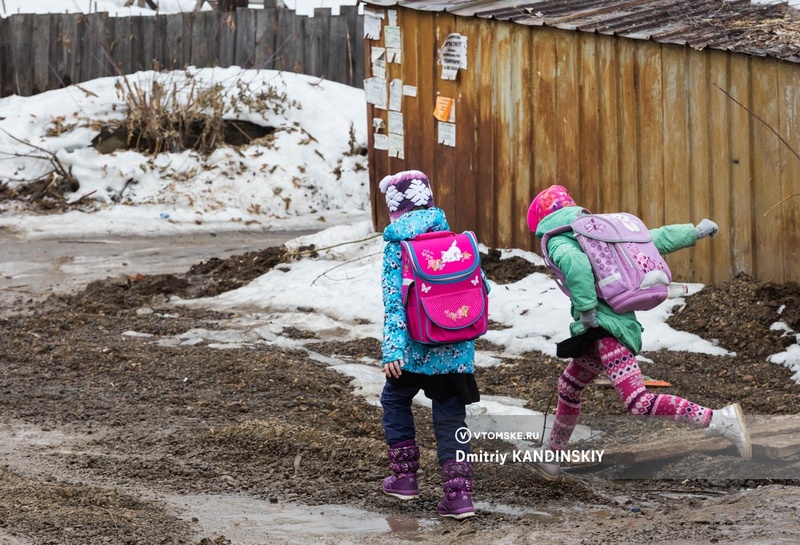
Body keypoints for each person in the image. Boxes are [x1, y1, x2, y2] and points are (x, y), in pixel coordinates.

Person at [527, 185, 752, 480]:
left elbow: (575, 264)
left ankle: (720, 419)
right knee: (569, 387)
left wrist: (586, 309)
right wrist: (692, 232)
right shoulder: (597, 231)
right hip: (599, 333)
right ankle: (552, 458)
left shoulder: (558, 240)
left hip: (606, 331)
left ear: (543, 221)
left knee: (638, 402)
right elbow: (650, 239)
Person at [378, 170, 488, 519]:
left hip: (413, 350)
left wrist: (393, 351)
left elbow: (394, 303)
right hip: (455, 351)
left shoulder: (399, 247)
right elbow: (479, 289)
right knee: (450, 419)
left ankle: (405, 478)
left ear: (394, 210)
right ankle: (459, 498)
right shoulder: (457, 240)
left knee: (394, 400)